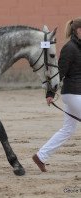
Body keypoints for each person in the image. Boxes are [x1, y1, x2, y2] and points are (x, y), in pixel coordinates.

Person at [33, 17, 81, 172]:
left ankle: (41, 156)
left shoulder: (78, 47)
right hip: (74, 94)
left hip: (76, 94)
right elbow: (59, 72)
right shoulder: (69, 48)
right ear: (77, 30)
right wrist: (50, 93)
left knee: (68, 129)